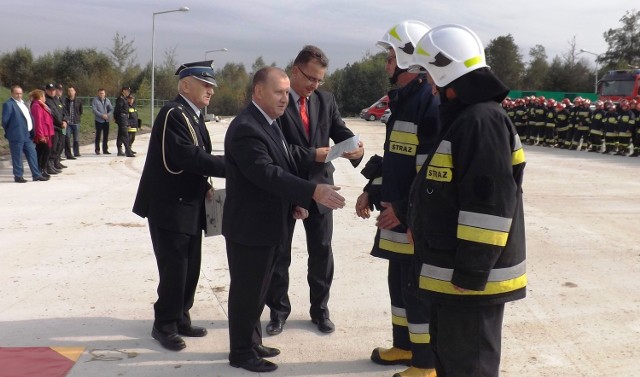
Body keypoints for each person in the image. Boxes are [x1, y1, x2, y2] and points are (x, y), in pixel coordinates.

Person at [409, 24, 527, 377]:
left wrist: (472, 270)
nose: (428, 83)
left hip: (470, 281)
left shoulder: (481, 121)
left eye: (430, 74)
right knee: (451, 362)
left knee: (469, 367)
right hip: (453, 274)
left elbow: (489, 206)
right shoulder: (465, 118)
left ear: (447, 71)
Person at [222, 66, 345, 373]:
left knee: (259, 290)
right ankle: (240, 352)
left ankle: (252, 342)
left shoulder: (269, 123)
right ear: (258, 91)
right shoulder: (247, 127)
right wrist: (311, 192)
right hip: (250, 226)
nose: (284, 98)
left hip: (266, 223)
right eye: (278, 92)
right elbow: (266, 172)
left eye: (286, 92)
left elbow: (286, 156)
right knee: (247, 292)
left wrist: (297, 197)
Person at [355, 20, 440, 377]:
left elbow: (430, 172)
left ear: (408, 58)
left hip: (411, 220)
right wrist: (371, 190)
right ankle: (404, 346)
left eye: (390, 57)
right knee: (400, 284)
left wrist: (405, 212)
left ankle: (425, 364)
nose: (386, 64)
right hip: (395, 213)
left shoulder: (427, 103)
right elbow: (395, 158)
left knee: (417, 288)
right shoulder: (402, 101)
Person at [265, 45, 364, 337]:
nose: (315, 85)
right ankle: (278, 313)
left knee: (321, 252)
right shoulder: (277, 100)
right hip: (286, 186)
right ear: (295, 71)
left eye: (320, 80)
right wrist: (314, 155)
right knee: (280, 254)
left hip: (322, 187)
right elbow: (277, 147)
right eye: (311, 78)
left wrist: (355, 148)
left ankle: (320, 311)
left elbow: (340, 130)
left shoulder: (325, 100)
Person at [132, 61, 226, 352]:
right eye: (204, 84)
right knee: (175, 268)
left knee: (190, 267)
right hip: (169, 205)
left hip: (188, 203)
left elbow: (193, 162)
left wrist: (205, 184)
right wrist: (235, 166)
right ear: (186, 85)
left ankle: (181, 315)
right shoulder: (174, 113)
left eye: (212, 85)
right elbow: (188, 157)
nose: (210, 90)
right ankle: (164, 324)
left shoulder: (193, 115)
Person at [2, 85, 48, 182]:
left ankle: (36, 174)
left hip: (27, 134)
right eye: (17, 93)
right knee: (17, 156)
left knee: (32, 154)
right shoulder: (8, 104)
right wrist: (10, 132)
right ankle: (18, 176)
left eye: (20, 93)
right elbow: (5, 121)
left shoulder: (23, 104)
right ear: (12, 93)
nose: (19, 95)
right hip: (16, 135)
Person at [44, 83, 68, 173]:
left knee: (61, 144)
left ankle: (56, 161)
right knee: (53, 146)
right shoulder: (46, 101)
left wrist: (65, 120)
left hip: (63, 127)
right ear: (46, 91)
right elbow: (52, 114)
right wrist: (60, 123)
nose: (52, 92)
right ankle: (50, 164)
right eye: (50, 90)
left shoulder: (58, 100)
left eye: (53, 90)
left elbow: (64, 111)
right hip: (56, 127)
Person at [114, 86, 134, 157]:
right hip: (122, 118)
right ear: (123, 91)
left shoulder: (124, 99)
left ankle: (119, 150)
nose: (128, 92)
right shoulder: (121, 99)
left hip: (124, 117)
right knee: (125, 135)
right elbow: (117, 109)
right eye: (127, 91)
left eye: (129, 91)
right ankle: (128, 151)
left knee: (120, 134)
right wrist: (115, 117)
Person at [91, 88, 113, 154]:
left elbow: (111, 109)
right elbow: (94, 110)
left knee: (106, 136)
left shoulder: (107, 100)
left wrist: (107, 115)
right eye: (100, 93)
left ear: (105, 94)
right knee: (98, 135)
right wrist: (101, 115)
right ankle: (97, 150)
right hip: (98, 121)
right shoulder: (95, 100)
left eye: (103, 93)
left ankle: (105, 150)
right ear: (98, 93)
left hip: (106, 120)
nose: (101, 94)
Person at [63, 86, 83, 158]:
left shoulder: (79, 101)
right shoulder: (64, 101)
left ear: (75, 92)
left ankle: (76, 152)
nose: (70, 92)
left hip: (76, 123)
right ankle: (67, 153)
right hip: (67, 123)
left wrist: (77, 117)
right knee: (66, 137)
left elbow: (81, 111)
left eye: (72, 91)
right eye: (69, 91)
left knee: (76, 138)